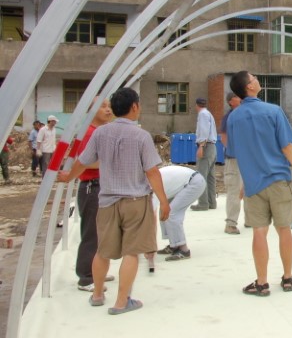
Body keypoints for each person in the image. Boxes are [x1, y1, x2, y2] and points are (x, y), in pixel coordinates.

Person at [58, 87, 170, 315]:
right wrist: (164, 201)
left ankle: (97, 295)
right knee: (132, 252)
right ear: (135, 107)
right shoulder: (141, 136)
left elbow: (82, 160)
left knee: (102, 250)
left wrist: (68, 177)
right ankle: (121, 302)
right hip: (135, 201)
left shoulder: (100, 133)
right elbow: (152, 172)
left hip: (107, 200)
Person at [226, 71, 292, 297]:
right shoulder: (273, 111)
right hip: (280, 180)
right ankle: (288, 278)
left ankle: (261, 283)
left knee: (259, 232)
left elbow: (237, 153)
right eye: (253, 79)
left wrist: (245, 182)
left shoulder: (234, 117)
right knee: (284, 230)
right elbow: (287, 146)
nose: (256, 81)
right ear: (249, 88)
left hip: (254, 185)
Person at [75, 98, 114, 292]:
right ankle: (86, 277)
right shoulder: (89, 133)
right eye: (103, 106)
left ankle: (96, 271)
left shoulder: (99, 132)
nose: (108, 110)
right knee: (91, 234)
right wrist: (110, 161)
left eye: (109, 106)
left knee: (99, 233)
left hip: (100, 186)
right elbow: (84, 162)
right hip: (91, 187)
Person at [155, 165, 206, 261]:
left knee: (171, 212)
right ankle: (174, 244)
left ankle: (183, 249)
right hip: (184, 183)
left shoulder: (149, 186)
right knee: (164, 210)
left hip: (194, 182)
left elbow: (150, 217)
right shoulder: (149, 178)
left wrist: (149, 246)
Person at [219, 91, 244, 234]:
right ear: (230, 101)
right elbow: (224, 137)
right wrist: (233, 149)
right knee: (234, 190)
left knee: (249, 189)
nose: (240, 99)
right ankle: (230, 223)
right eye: (236, 97)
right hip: (233, 159)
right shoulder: (228, 118)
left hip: (246, 158)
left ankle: (251, 219)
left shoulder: (244, 115)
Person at [191, 97, 218, 211]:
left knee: (201, 176)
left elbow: (204, 130)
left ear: (197, 105)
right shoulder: (209, 114)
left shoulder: (202, 115)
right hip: (212, 147)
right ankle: (212, 202)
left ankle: (203, 203)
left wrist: (201, 146)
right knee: (210, 177)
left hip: (206, 147)